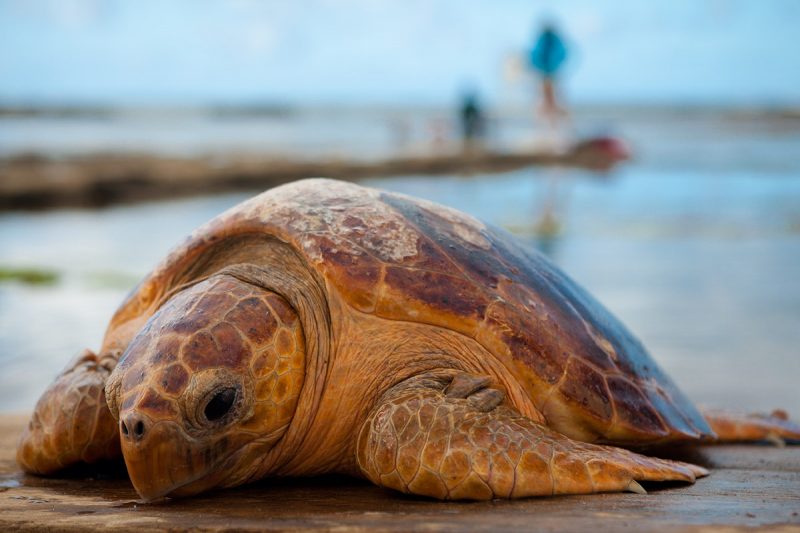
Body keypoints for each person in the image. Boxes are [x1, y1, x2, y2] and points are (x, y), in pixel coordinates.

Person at [529, 23, 568, 125]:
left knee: (548, 99)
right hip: (551, 73)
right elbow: (562, 54)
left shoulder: (543, 41)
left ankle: (550, 123)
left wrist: (540, 67)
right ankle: (552, 123)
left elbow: (534, 56)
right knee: (552, 99)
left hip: (546, 74)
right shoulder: (554, 41)